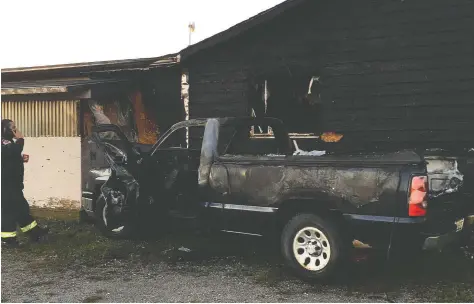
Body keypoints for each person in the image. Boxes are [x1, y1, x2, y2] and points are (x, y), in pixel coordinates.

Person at [1, 119, 48, 247]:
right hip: (6, 185)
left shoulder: (7, 142)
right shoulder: (3, 142)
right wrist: (21, 140)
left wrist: (20, 158)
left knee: (20, 209)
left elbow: (8, 157)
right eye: (13, 128)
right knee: (10, 211)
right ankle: (8, 240)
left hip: (12, 185)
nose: (15, 130)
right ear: (5, 129)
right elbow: (8, 152)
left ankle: (34, 233)